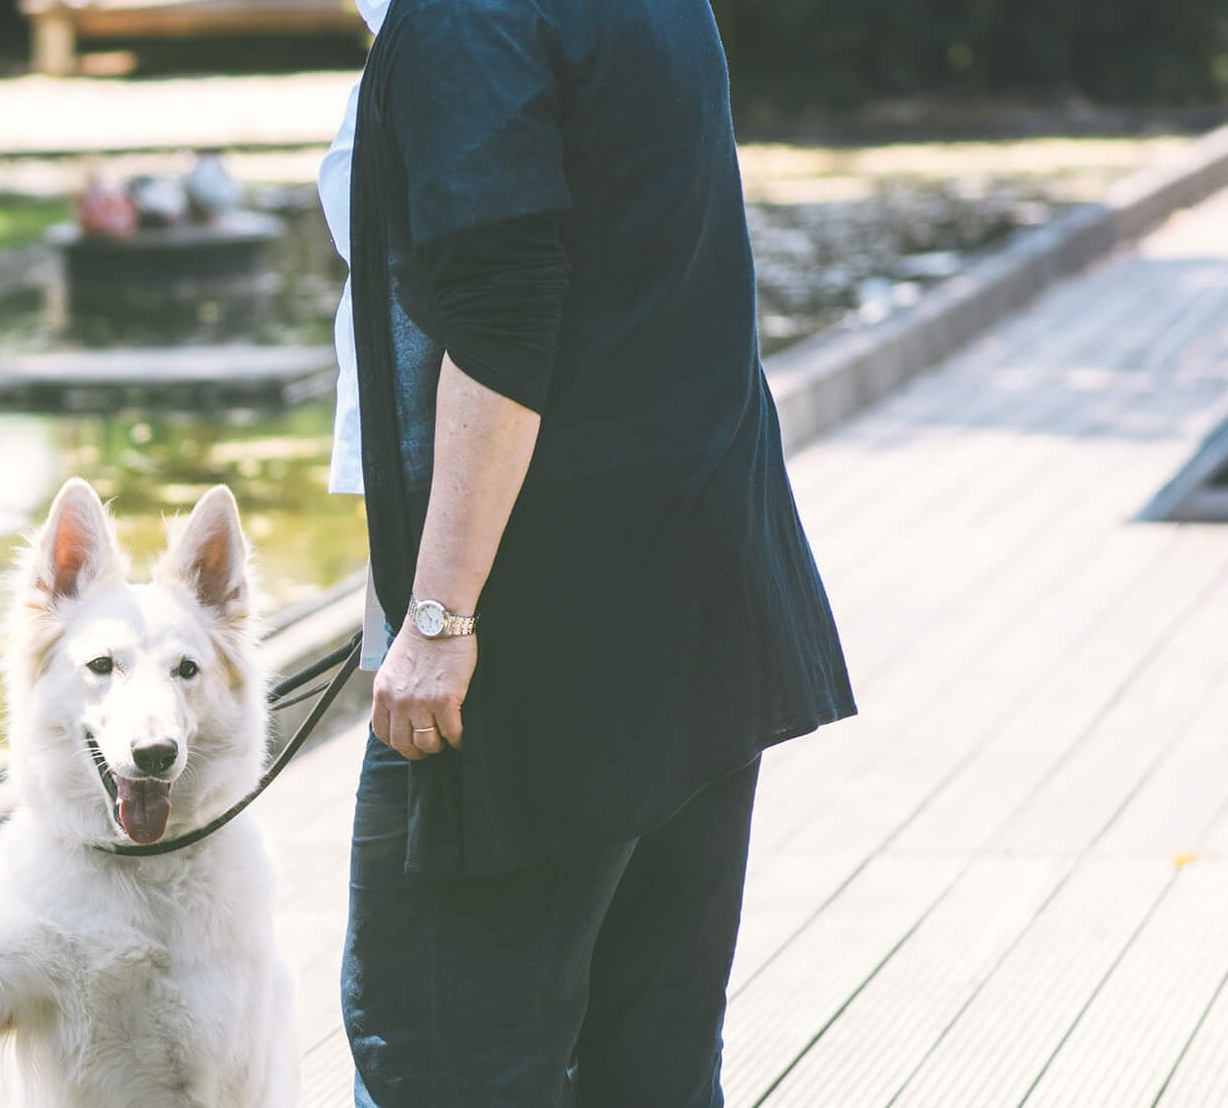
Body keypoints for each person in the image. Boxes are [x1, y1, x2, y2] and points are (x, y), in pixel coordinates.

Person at [319, 0, 859, 1104]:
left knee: (433, 1054)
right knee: (650, 1061)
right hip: (698, 586)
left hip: (540, 636)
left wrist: (438, 621)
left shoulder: (468, 18)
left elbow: (506, 319)